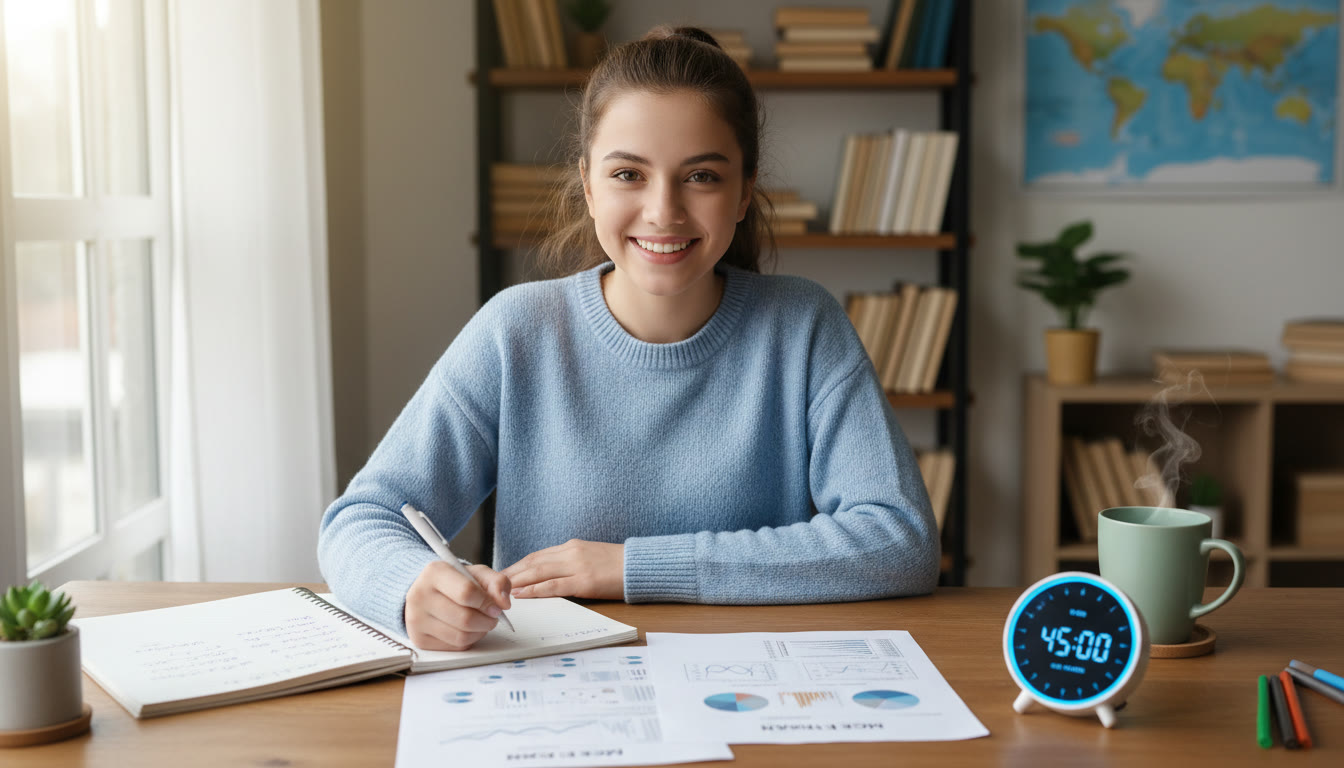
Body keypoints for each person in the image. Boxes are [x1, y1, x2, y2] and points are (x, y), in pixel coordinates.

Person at [318, 26, 939, 653]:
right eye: (628, 174)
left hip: (752, 689)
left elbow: (898, 540)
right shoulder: (517, 332)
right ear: (588, 184)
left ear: (745, 190)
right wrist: (409, 589)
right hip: (563, 701)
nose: (663, 211)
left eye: (700, 176)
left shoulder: (804, 327)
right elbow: (359, 521)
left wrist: (629, 567)